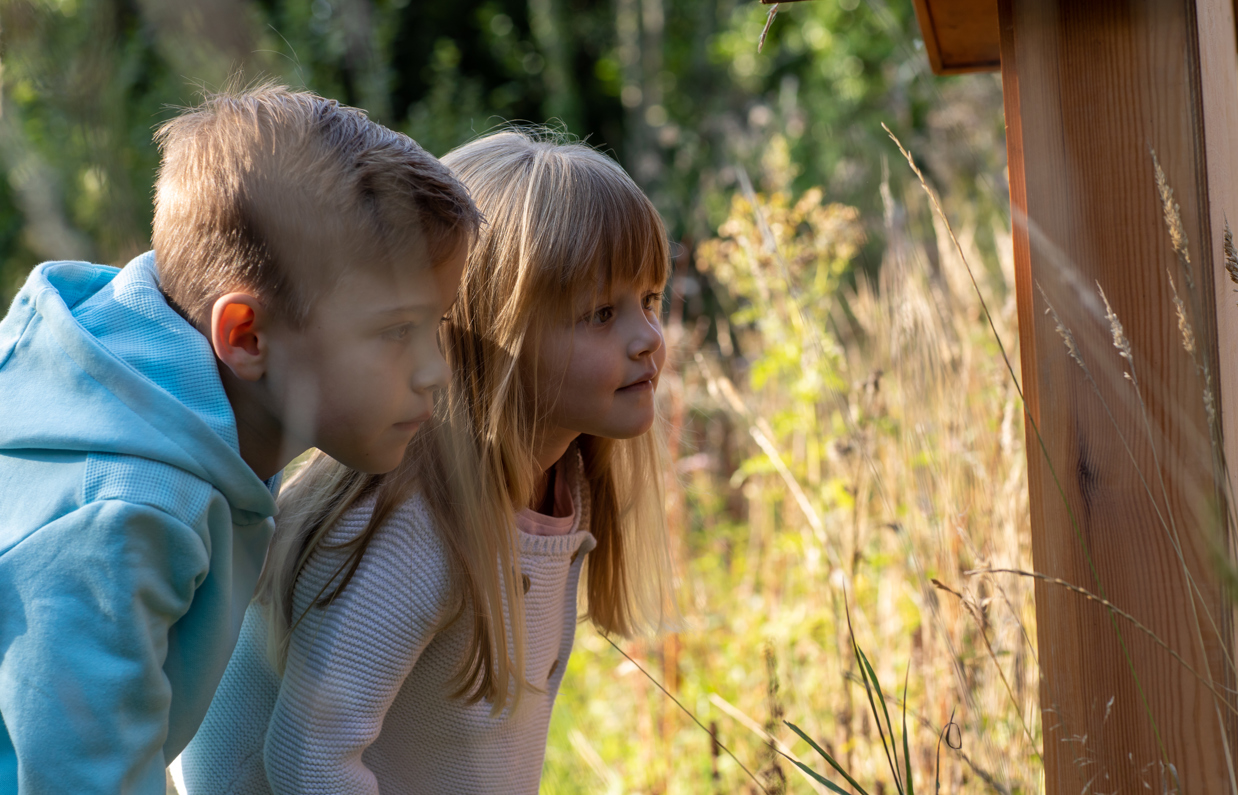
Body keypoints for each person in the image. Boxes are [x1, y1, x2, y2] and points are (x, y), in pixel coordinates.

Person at [0, 84, 479, 794]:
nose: (436, 369)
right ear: (246, 335)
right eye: (396, 331)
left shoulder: (170, 394)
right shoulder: (126, 514)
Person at [180, 129, 678, 794]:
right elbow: (308, 761)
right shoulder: (410, 527)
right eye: (599, 313)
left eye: (649, 300)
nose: (648, 337)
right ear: (491, 332)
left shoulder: (562, 481)